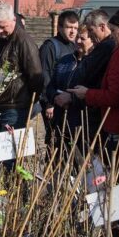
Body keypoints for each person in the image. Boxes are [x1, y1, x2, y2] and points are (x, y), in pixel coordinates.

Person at [68, 10, 119, 156]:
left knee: (113, 170)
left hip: (116, 121)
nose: (111, 34)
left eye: (112, 30)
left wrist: (87, 94)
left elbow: (116, 94)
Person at [53, 10, 116, 143]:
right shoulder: (102, 47)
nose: (90, 36)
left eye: (91, 30)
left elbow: (90, 79)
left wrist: (73, 97)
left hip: (90, 113)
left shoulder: (106, 48)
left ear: (102, 27)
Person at [0, 2, 43, 132]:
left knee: (11, 150)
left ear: (13, 20)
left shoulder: (24, 42)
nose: (0, 31)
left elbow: (36, 77)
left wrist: (30, 101)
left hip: (16, 106)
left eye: (3, 27)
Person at [44, 26, 95, 143]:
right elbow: (51, 86)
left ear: (92, 40)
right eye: (77, 37)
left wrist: (71, 99)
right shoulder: (65, 60)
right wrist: (55, 97)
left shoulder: (94, 63)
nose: (77, 41)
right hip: (60, 119)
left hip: (81, 122)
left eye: (82, 39)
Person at [39, 11, 79, 144]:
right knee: (54, 140)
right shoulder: (50, 46)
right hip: (53, 102)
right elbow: (45, 75)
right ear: (60, 28)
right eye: (69, 28)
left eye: (75, 28)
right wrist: (49, 103)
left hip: (67, 103)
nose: (73, 32)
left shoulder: (74, 46)